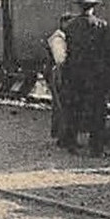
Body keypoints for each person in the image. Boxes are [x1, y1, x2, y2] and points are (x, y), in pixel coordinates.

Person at [60, 0, 110, 156]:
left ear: (79, 7)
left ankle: (71, 144)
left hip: (75, 72)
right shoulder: (102, 25)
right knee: (97, 110)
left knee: (75, 107)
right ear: (93, 7)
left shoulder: (70, 26)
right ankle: (96, 148)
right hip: (95, 73)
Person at [45, 11, 76, 143]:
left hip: (60, 72)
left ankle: (60, 135)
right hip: (59, 73)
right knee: (62, 105)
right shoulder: (58, 39)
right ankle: (63, 138)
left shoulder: (63, 37)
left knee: (61, 105)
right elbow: (60, 60)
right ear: (63, 23)